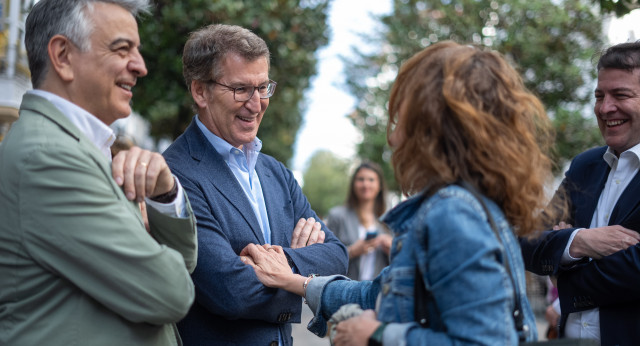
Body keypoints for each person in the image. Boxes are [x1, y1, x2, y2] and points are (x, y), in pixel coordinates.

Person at [240, 41, 557, 345]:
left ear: (430, 125)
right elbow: (377, 293)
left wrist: (376, 336)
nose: (392, 138)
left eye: (400, 119)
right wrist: (292, 280)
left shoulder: (453, 213)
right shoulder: (462, 204)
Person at [0, 1, 198, 345]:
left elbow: (183, 264)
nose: (140, 67)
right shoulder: (50, 158)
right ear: (62, 55)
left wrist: (166, 195)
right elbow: (171, 292)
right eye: (123, 49)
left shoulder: (79, 147)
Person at [162, 24, 348, 346]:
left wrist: (282, 264)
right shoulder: (174, 174)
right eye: (240, 89)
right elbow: (229, 291)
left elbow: (336, 255)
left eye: (263, 87)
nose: (256, 103)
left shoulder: (275, 172)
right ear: (200, 91)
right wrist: (299, 280)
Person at [521, 41, 640, 345]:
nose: (605, 108)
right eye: (599, 95)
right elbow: (529, 242)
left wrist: (564, 269)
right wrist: (580, 242)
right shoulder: (585, 165)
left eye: (621, 95)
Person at [326, 161, 392, 280]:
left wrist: (393, 249)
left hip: (377, 294)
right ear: (353, 184)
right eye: (360, 179)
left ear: (380, 185)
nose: (366, 184)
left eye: (371, 180)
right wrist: (351, 251)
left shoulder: (388, 221)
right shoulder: (337, 216)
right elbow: (325, 257)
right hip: (344, 292)